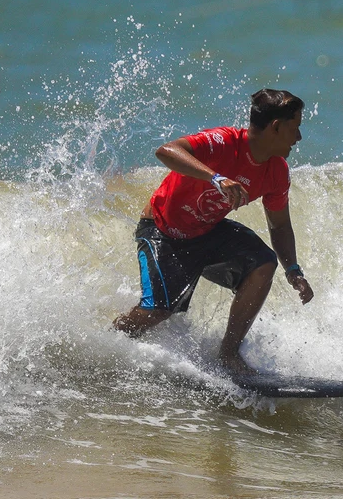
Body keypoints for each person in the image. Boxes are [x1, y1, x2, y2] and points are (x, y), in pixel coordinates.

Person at [113, 88, 314, 374]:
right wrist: (216, 177)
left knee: (264, 263)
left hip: (207, 232)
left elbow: (279, 224)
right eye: (295, 128)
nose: (299, 138)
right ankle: (106, 344)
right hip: (161, 230)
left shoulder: (277, 171)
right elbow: (166, 151)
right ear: (276, 127)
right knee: (157, 311)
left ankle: (228, 355)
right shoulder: (223, 142)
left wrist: (293, 270)